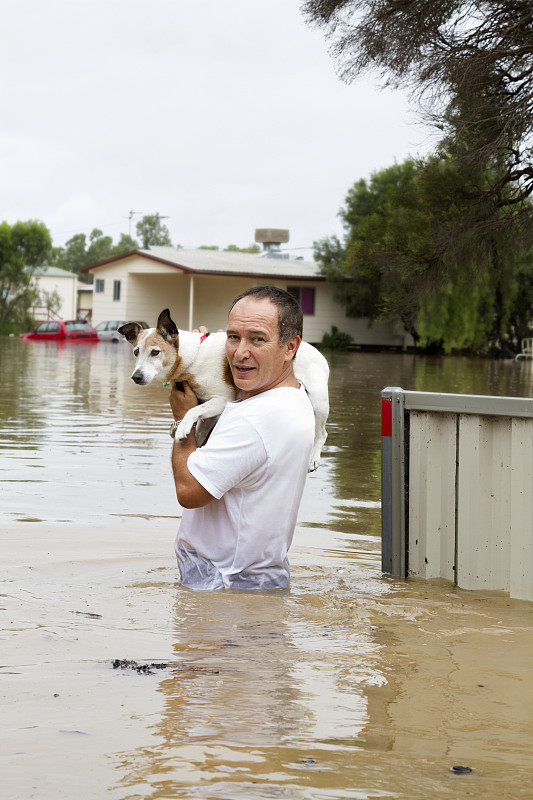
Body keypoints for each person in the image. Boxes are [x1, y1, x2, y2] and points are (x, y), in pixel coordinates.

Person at [169, 285, 316, 590]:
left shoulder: (255, 419)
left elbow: (189, 491)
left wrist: (182, 423)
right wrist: (204, 364)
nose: (240, 352)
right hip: (259, 579)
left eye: (257, 339)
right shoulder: (293, 396)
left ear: (290, 348)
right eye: (233, 337)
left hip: (224, 589)